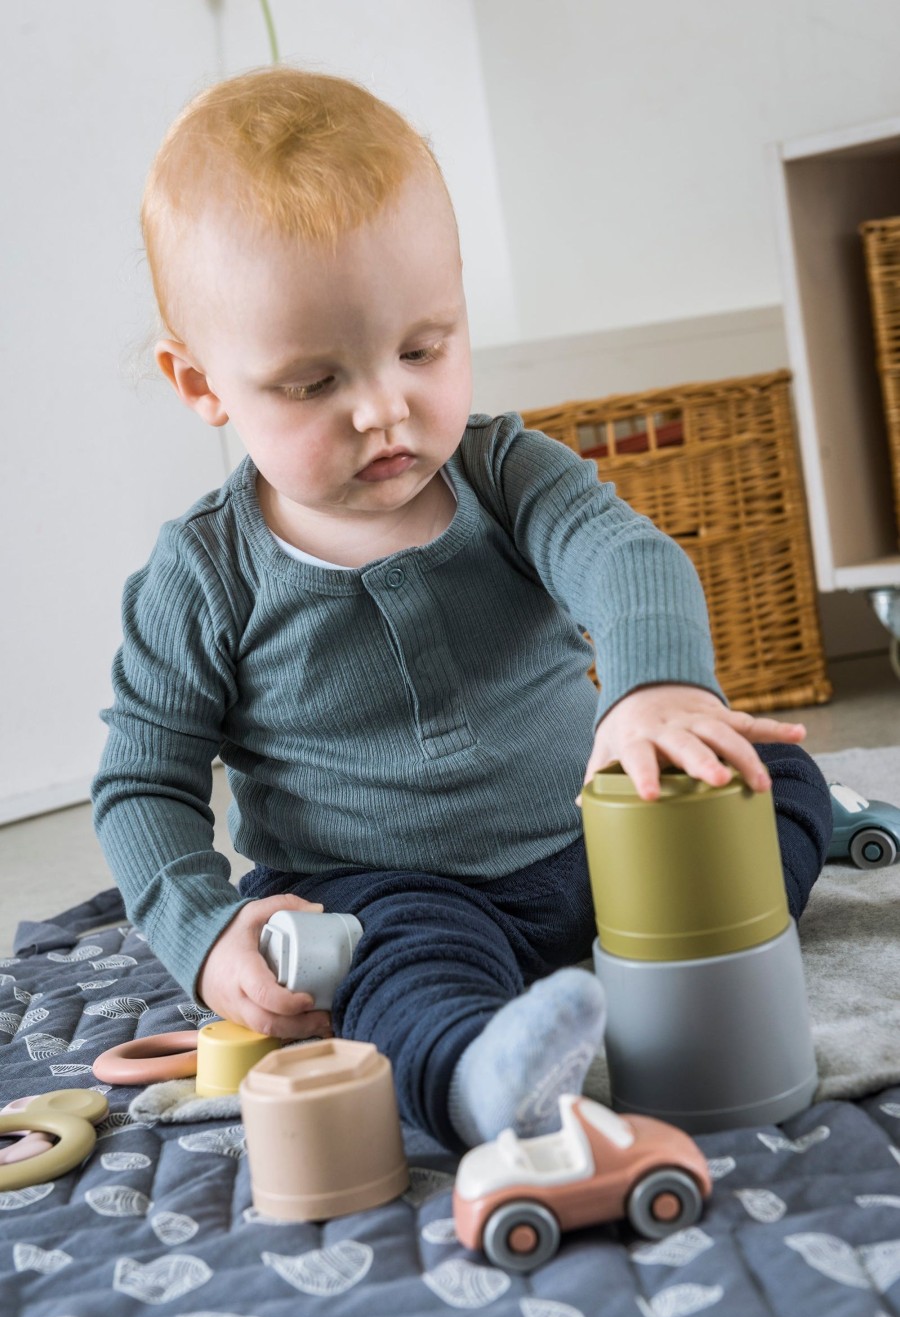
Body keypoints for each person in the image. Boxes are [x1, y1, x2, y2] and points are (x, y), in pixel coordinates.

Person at [93, 67, 832, 1152]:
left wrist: (658, 692)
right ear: (201, 383)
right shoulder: (202, 575)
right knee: (392, 981)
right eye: (313, 383)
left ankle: (686, 927)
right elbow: (141, 785)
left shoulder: (503, 471)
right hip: (391, 892)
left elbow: (626, 557)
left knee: (776, 776)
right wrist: (210, 937)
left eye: (421, 349)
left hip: (596, 836)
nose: (384, 406)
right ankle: (484, 1078)